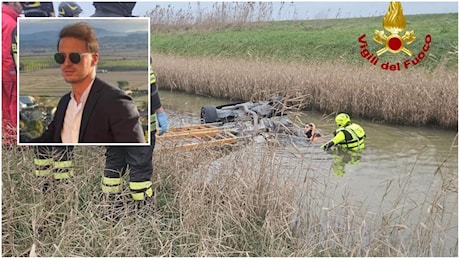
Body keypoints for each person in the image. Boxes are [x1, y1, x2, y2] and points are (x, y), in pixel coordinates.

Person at [91, 2, 169, 219]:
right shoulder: (131, 32)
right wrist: (160, 111)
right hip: (137, 118)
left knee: (114, 160)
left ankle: (111, 208)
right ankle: (143, 213)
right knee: (140, 166)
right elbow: (148, 80)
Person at [29, 22, 145, 143]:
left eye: (75, 57)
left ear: (94, 59)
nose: (67, 63)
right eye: (61, 57)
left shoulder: (116, 103)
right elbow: (47, 140)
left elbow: (135, 152)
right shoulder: (64, 103)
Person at [2, 2, 22, 147]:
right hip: (9, 71)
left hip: (3, 70)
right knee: (14, 105)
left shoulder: (3, 19)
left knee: (5, 106)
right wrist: (12, 72)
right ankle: (17, 139)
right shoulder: (11, 23)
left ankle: (9, 138)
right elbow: (7, 51)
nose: (22, 6)